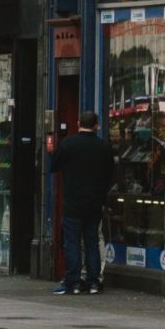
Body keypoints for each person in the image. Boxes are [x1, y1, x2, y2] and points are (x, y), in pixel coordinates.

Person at [51, 110, 112, 296]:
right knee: (92, 242)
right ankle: (94, 283)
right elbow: (110, 175)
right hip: (94, 203)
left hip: (73, 203)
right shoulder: (103, 147)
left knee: (73, 243)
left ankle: (74, 282)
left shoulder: (68, 144)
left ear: (78, 123)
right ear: (97, 125)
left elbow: (54, 166)